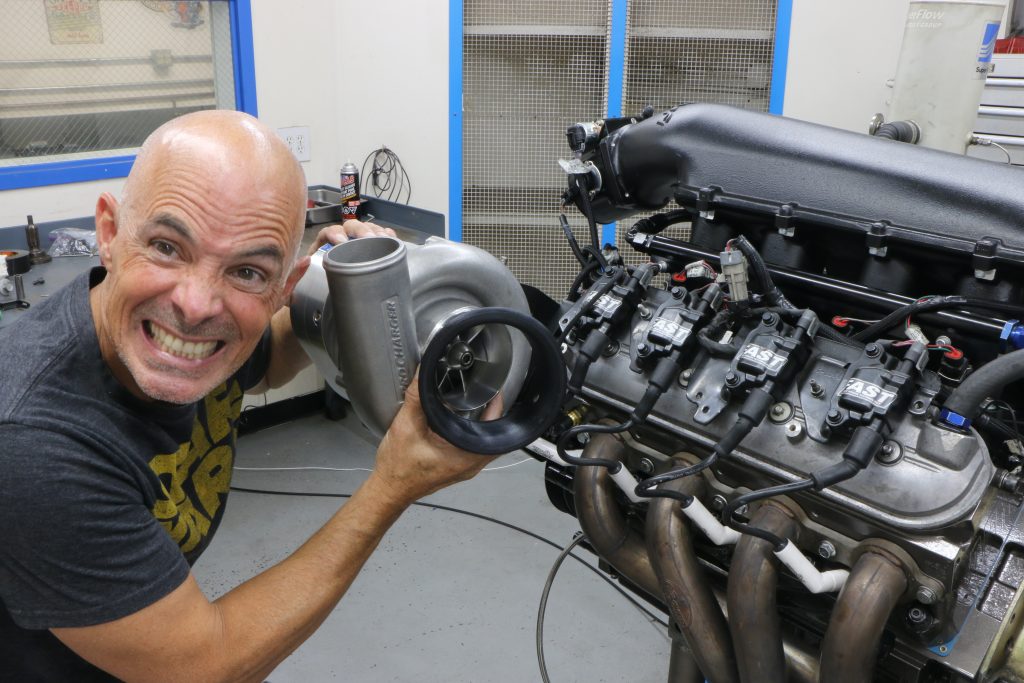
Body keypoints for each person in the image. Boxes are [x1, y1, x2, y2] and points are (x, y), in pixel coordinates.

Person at [0, 110, 498, 681]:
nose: (197, 306)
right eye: (167, 246)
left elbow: (269, 365)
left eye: (247, 273)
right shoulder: (32, 446)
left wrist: (353, 300)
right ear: (109, 234)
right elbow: (205, 667)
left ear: (283, 288)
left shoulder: (201, 339)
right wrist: (391, 487)